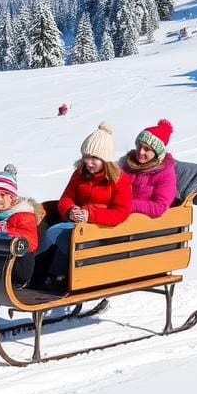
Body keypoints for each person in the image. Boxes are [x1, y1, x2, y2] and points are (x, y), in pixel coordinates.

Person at [35, 121, 131, 289]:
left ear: (105, 159)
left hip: (101, 231)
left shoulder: (119, 180)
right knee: (52, 230)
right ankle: (42, 274)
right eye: (86, 157)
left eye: (94, 158)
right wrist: (71, 210)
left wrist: (90, 215)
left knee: (57, 233)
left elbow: (121, 213)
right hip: (76, 224)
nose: (89, 163)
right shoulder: (80, 174)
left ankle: (53, 275)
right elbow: (66, 198)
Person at [121, 119, 177, 218]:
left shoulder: (165, 173)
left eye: (147, 149)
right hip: (119, 214)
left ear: (157, 153)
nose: (141, 152)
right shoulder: (126, 163)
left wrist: (128, 205)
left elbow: (159, 206)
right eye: (139, 146)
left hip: (143, 225)